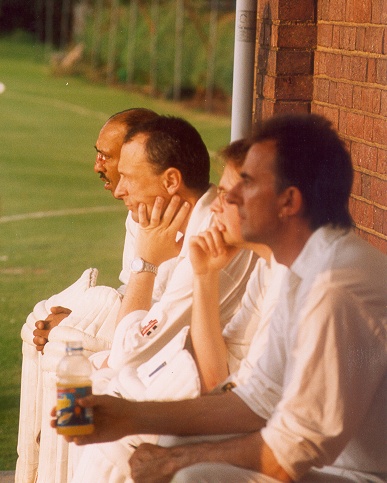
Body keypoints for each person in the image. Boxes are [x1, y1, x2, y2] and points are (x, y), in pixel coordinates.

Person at [57, 113, 387, 483]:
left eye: (246, 182)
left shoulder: (332, 286)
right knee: (166, 447)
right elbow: (256, 399)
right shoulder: (292, 266)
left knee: (196, 475)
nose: (225, 197)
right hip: (322, 462)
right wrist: (128, 416)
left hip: (358, 473)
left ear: (288, 202)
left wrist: (174, 458)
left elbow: (296, 447)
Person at [16, 108, 161, 483]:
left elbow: (161, 312)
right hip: (140, 331)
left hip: (158, 349)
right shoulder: (138, 215)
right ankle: (31, 474)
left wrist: (92, 320)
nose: (97, 166)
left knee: (66, 345)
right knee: (40, 322)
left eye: (107, 157)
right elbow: (135, 289)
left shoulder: (180, 226)